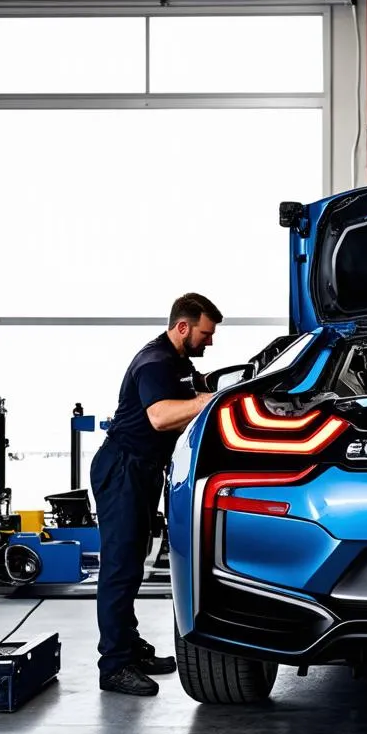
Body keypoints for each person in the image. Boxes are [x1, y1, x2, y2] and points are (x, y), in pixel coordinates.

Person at [91, 293, 223, 696]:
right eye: (205, 333)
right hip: (123, 468)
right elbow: (161, 416)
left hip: (144, 471)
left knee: (134, 563)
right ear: (183, 326)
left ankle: (129, 647)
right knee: (120, 567)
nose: (210, 342)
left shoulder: (179, 363)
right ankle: (114, 665)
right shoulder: (155, 361)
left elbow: (197, 387)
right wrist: (206, 400)